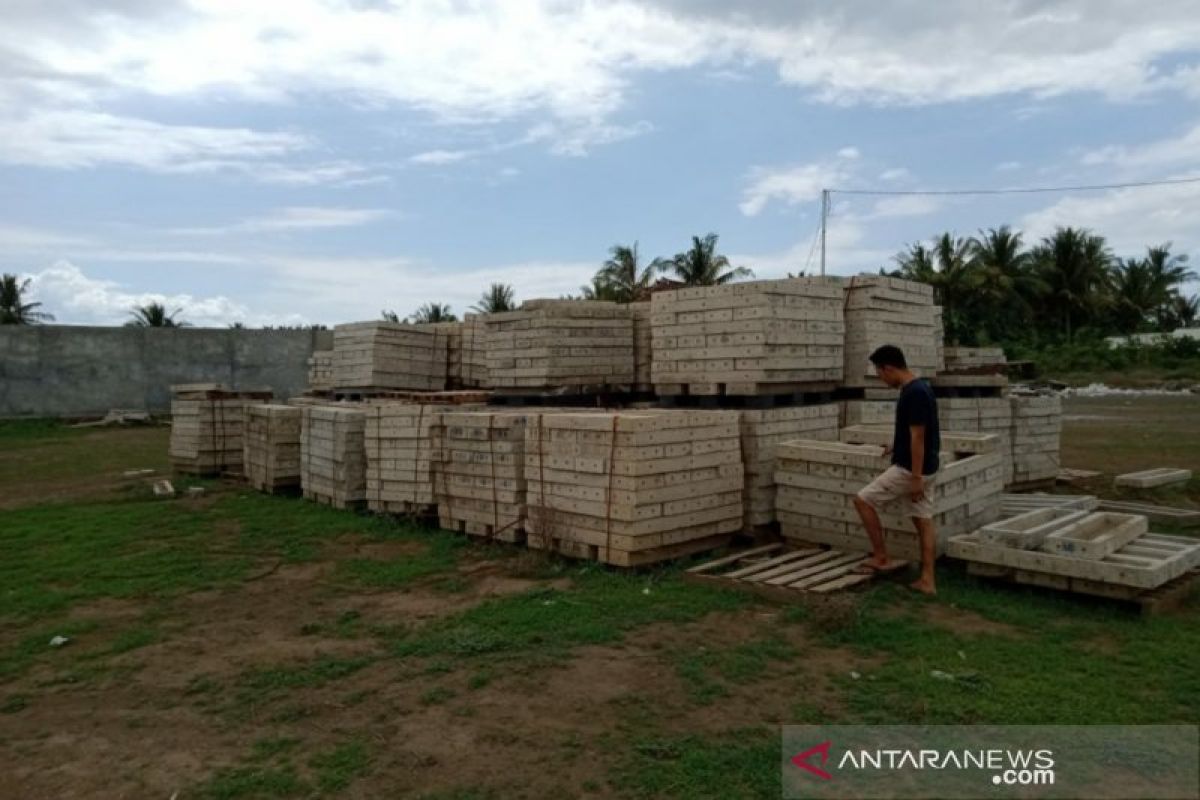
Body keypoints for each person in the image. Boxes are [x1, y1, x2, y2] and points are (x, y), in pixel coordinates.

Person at [851, 344, 941, 595]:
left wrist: (915, 478)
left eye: (880, 373)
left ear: (888, 368)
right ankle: (927, 580)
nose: (881, 379)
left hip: (910, 470)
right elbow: (917, 431)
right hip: (928, 466)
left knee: (862, 500)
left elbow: (919, 437)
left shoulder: (914, 393)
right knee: (923, 521)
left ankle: (880, 556)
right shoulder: (919, 388)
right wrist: (895, 445)